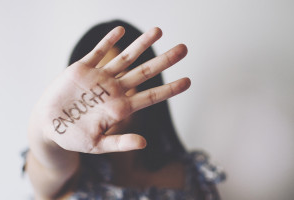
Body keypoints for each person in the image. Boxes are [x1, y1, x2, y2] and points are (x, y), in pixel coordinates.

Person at [23, 20, 225, 200]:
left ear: (145, 83)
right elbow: (48, 165)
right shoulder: (69, 171)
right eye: (92, 89)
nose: (100, 101)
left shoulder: (190, 173)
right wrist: (45, 131)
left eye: (118, 80)